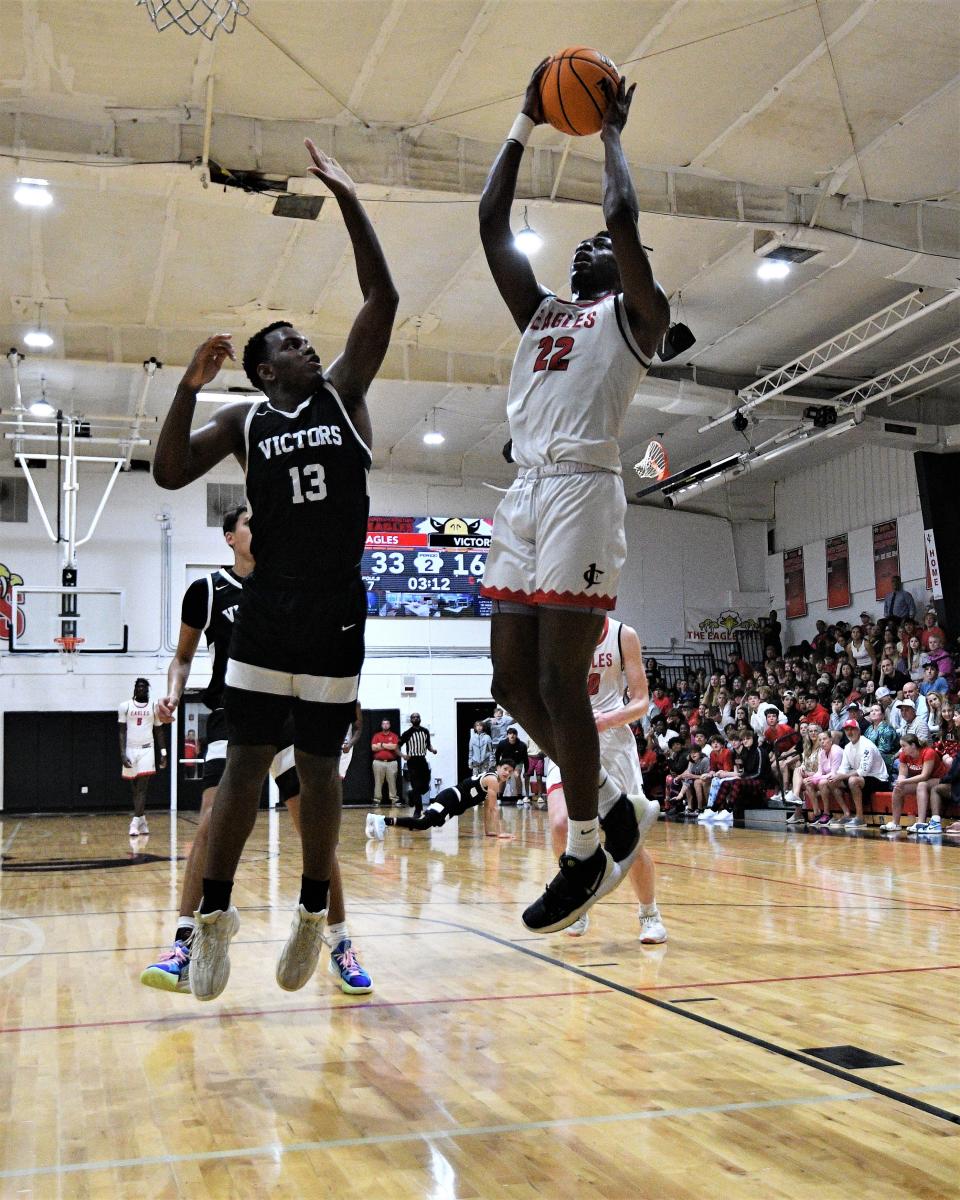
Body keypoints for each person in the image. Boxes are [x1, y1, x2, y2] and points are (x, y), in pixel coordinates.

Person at [152, 138, 398, 1002]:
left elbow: (384, 296)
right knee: (244, 773)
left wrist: (346, 198)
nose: (309, 345)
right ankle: (212, 920)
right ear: (265, 368)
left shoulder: (343, 395)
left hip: (336, 607)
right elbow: (170, 471)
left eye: (305, 340)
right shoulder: (247, 421)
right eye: (293, 343)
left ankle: (310, 917)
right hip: (269, 609)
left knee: (323, 775)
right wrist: (187, 387)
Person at [477, 60, 666, 933]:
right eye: (585, 246)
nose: (594, 246)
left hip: (584, 491)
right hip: (526, 492)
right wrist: (524, 118)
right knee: (511, 683)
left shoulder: (637, 318)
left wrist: (611, 133)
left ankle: (587, 846)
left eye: (612, 250)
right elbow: (489, 221)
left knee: (560, 676)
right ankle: (616, 811)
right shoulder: (545, 311)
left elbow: (621, 216)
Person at [139, 509, 371, 996]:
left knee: (314, 830)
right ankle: (185, 939)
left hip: (291, 711)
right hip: (232, 711)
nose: (260, 530)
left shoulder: (288, 584)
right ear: (230, 537)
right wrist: (173, 693)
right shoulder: (206, 589)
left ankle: (340, 942)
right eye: (249, 524)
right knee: (210, 821)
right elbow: (182, 657)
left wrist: (350, 698)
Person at [544, 617, 666, 943]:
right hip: (568, 740)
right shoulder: (555, 631)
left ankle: (650, 915)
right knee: (559, 825)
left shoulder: (624, 634)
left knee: (629, 841)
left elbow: (641, 702)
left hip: (613, 743)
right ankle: (577, 904)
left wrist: (608, 719)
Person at [366, 763, 515, 839]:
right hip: (451, 798)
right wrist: (500, 833)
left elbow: (487, 807)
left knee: (422, 826)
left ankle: (380, 823)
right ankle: (382, 820)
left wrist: (489, 831)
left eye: (510, 771)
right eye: (505, 769)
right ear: (498, 767)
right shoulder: (493, 779)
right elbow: (493, 808)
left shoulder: (494, 781)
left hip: (454, 805)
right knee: (423, 823)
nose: (507, 773)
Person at [118, 678, 166, 836]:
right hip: (130, 749)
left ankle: (134, 822)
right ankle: (142, 820)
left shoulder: (154, 706)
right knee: (134, 789)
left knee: (142, 788)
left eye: (144, 687)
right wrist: (123, 754)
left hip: (147, 749)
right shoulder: (125, 706)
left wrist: (163, 752)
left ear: (147, 690)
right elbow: (122, 731)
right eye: (139, 687)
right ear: (135, 689)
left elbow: (159, 731)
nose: (141, 689)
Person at [823, 719, 888, 829]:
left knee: (853, 780)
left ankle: (860, 818)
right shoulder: (848, 747)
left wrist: (842, 776)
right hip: (863, 778)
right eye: (847, 730)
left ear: (858, 730)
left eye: (852, 729)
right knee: (831, 781)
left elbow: (863, 771)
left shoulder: (867, 745)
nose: (849, 732)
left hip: (878, 778)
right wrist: (835, 776)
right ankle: (847, 814)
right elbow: (843, 769)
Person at [881, 735, 947, 835]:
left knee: (921, 785)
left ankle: (920, 822)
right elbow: (902, 774)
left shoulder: (928, 752)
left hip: (939, 779)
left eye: (904, 746)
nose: (901, 749)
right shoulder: (904, 755)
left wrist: (904, 782)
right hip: (921, 781)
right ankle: (895, 823)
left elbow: (925, 776)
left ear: (913, 745)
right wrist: (900, 782)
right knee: (898, 789)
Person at [398, 713, 438, 817]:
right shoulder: (407, 733)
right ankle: (418, 810)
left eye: (417, 717)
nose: (416, 718)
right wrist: (403, 755)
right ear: (411, 720)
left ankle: (411, 794)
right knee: (416, 786)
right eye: (413, 717)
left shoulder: (425, 731)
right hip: (412, 761)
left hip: (422, 760)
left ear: (420, 719)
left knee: (425, 786)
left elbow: (428, 745)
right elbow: (396, 746)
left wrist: (432, 750)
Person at [371, 718, 400, 805]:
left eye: (387, 723)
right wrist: (388, 745)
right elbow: (373, 748)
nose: (385, 725)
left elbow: (394, 747)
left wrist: (382, 745)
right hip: (378, 762)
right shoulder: (376, 736)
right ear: (381, 725)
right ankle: (377, 800)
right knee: (378, 781)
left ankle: (394, 799)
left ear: (390, 725)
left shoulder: (394, 736)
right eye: (383, 724)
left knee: (392, 782)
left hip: (392, 763)